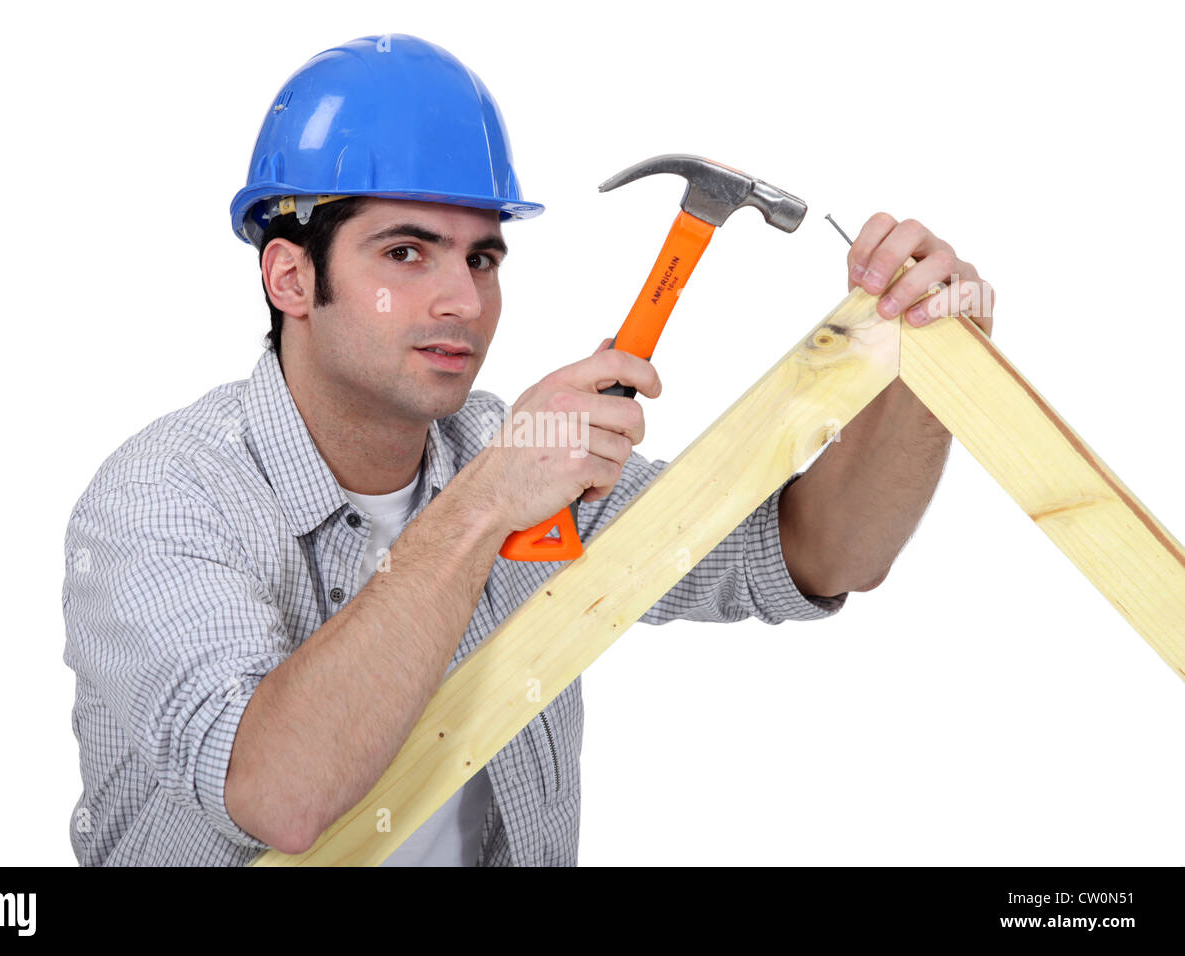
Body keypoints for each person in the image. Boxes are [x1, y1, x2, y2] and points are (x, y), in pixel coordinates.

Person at [61, 33, 994, 866]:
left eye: (482, 258)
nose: (464, 301)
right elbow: (276, 796)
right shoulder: (162, 499)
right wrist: (483, 506)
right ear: (291, 277)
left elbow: (819, 553)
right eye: (405, 253)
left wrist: (923, 362)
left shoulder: (507, 449)